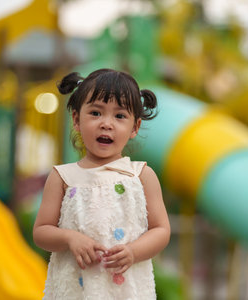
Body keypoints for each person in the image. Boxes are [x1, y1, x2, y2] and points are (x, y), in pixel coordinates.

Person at [33, 68, 171, 299]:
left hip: (126, 290)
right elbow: (41, 232)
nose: (106, 123)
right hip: (76, 290)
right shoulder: (63, 177)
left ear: (134, 127)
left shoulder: (141, 176)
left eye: (119, 116)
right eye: (96, 113)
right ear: (76, 120)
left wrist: (133, 252)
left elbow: (161, 230)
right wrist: (70, 238)